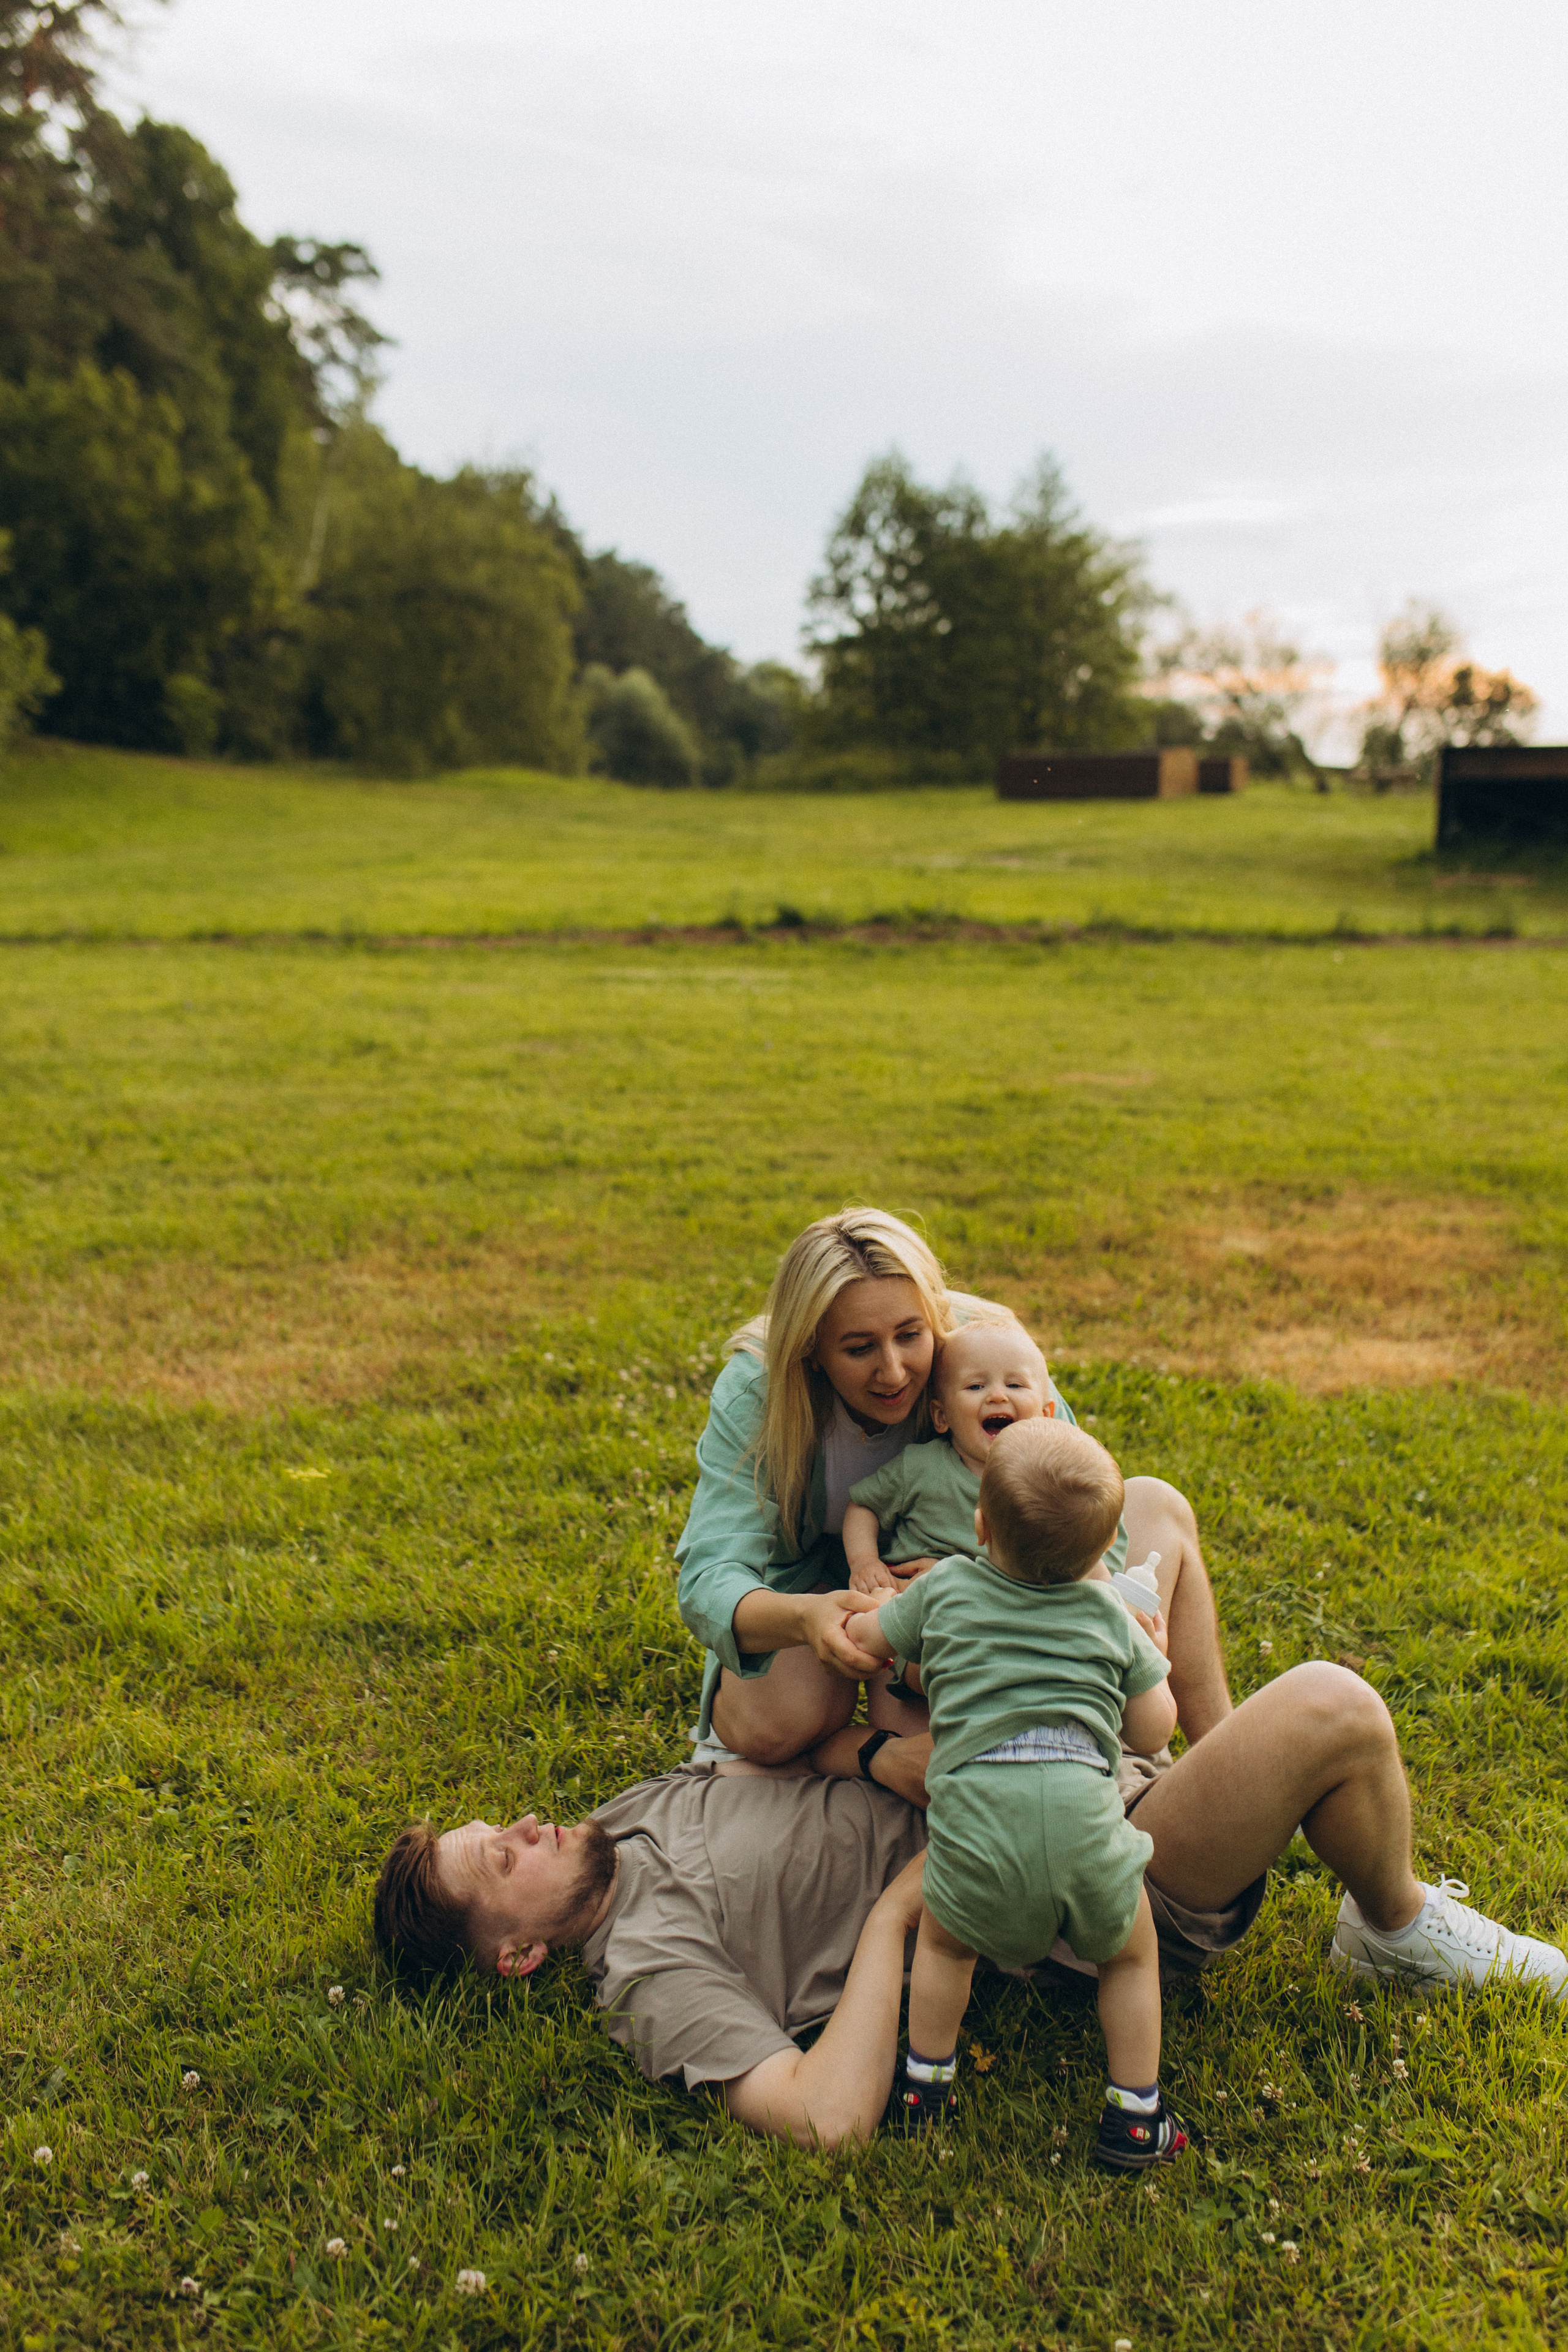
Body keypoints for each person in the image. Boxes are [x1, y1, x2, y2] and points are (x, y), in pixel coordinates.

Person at [373, 1675, 1568, 2149]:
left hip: (1039, 1765)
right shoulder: (645, 1967)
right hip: (1101, 1872)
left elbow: (787, 1734)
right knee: (1332, 1712)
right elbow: (820, 2118)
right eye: (501, 1862)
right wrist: (900, 1910)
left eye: (504, 1821)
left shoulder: (622, 1815)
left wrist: (879, 1752)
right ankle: (1392, 1928)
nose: (527, 1826)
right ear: (517, 1956)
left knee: (1142, 1507)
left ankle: (1213, 1748)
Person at [674, 1207, 1233, 1796]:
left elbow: (1070, 1497)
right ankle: (870, 1753)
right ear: (812, 1349)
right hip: (822, 1587)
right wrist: (805, 1618)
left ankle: (1224, 1767)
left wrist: (976, 1581)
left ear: (935, 1319)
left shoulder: (983, 1353)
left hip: (973, 1569)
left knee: (1157, 1505)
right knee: (769, 1725)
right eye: (859, 1348)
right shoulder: (759, 1388)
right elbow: (712, 1575)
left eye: (911, 1337)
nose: (893, 1372)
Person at [840, 1416, 1186, 2167]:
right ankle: (1135, 2114)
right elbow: (1154, 1732)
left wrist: (872, 1613)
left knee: (944, 1942)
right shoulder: (1108, 1614)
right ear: (1102, 1554)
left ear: (978, 1522)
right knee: (1129, 1957)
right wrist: (1152, 1652)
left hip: (977, 1833)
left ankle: (926, 2087)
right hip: (1086, 1830)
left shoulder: (950, 1587)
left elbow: (869, 1643)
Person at [840, 1314, 1057, 1596]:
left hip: (1002, 1608)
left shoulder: (1053, 1481)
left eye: (1015, 1385)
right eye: (975, 1386)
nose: (997, 1396)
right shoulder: (921, 1467)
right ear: (941, 1417)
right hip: (909, 1602)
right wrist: (865, 1562)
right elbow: (863, 1506)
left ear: (1045, 1416)